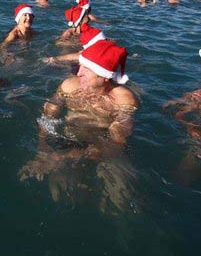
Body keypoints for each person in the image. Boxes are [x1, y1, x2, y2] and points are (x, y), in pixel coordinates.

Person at [19, 40, 139, 213]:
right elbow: (47, 117)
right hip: (69, 140)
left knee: (122, 192)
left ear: (104, 76)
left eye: (86, 69)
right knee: (63, 191)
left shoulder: (123, 100)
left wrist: (67, 156)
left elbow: (116, 142)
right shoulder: (69, 86)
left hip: (103, 147)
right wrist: (43, 149)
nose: (78, 72)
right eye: (80, 66)